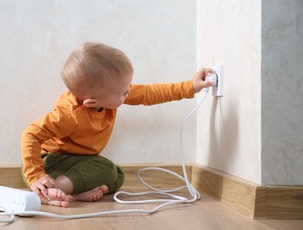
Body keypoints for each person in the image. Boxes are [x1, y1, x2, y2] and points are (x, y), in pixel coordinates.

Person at [21, 42, 214, 207]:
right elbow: (31, 134)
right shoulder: (69, 115)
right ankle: (46, 192)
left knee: (116, 176)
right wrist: (37, 175)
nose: (128, 93)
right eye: (123, 93)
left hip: (78, 163)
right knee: (106, 169)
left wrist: (191, 86)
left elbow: (150, 93)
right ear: (91, 102)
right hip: (49, 163)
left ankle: (72, 194)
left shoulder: (113, 92)